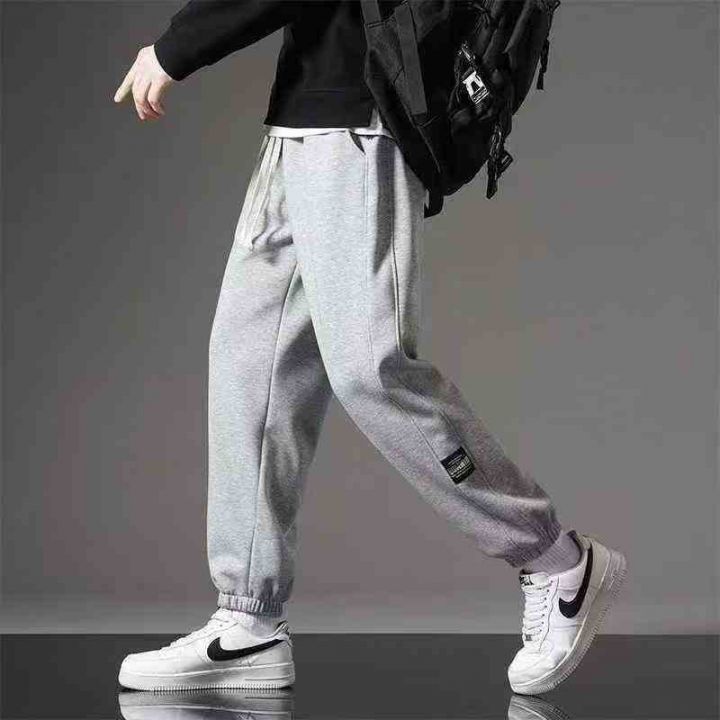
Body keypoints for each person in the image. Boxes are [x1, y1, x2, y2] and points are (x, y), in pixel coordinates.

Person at [113, 0, 627, 696]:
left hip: (361, 121)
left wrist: (177, 47)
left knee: (369, 370)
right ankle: (248, 621)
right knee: (249, 366)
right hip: (301, 120)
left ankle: (558, 562)